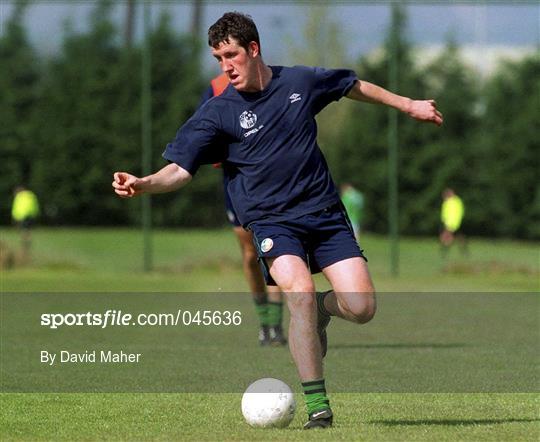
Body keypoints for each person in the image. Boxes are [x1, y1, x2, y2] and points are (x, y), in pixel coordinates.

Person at [113, 12, 443, 429]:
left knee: (361, 308)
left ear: (253, 49)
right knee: (299, 291)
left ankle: (326, 311)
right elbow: (179, 169)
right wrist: (143, 183)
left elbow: (352, 85)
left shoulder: (299, 83)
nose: (225, 66)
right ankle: (319, 409)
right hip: (272, 223)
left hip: (324, 213)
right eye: (217, 58)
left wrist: (409, 104)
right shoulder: (218, 112)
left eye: (231, 54)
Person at [203, 73, 287, 346]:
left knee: (274, 250)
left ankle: (276, 325)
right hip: (237, 184)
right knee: (251, 254)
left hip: (273, 183)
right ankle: (264, 321)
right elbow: (202, 133)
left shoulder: (273, 84)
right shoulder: (216, 88)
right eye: (221, 55)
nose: (228, 62)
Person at [11, 186, 40, 262]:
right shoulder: (31, 195)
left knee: (24, 231)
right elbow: (36, 206)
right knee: (28, 231)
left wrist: (15, 217)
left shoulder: (19, 196)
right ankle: (27, 244)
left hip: (22, 216)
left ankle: (24, 246)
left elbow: (17, 208)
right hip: (31, 216)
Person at [440, 188, 466, 260]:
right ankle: (463, 250)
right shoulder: (448, 202)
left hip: (452, 222)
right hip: (449, 222)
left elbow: (457, 213)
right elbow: (445, 212)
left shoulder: (455, 202)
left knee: (445, 236)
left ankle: (445, 250)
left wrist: (451, 222)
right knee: (458, 236)